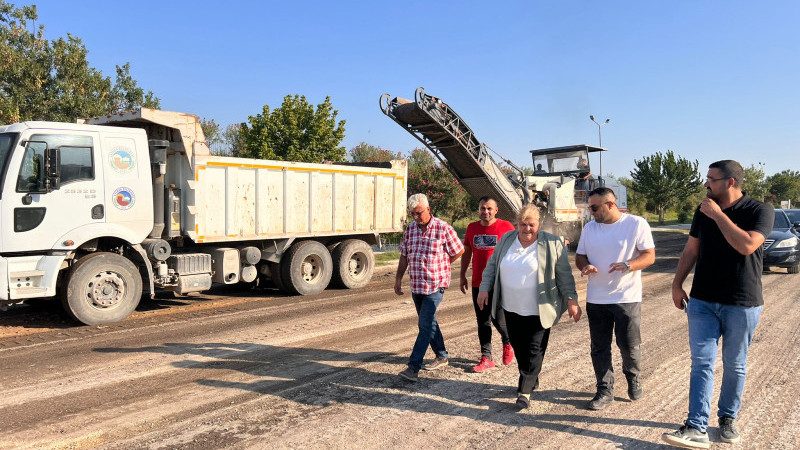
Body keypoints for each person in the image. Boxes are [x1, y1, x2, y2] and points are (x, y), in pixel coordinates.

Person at [662, 160, 773, 449]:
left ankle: (727, 418)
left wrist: (719, 216)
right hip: (703, 301)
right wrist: (676, 283)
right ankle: (696, 426)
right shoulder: (704, 209)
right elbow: (691, 248)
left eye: (711, 179)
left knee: (735, 364)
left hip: (742, 302)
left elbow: (748, 245)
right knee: (701, 363)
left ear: (730, 182)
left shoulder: (760, 210)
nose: (706, 184)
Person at [477, 205, 582, 409]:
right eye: (523, 224)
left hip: (539, 308)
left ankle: (524, 391)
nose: (527, 229)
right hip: (510, 307)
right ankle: (531, 377)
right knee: (520, 348)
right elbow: (491, 267)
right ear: (517, 224)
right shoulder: (507, 240)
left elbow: (565, 276)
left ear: (538, 224)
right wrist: (483, 288)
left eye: (531, 225)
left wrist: (571, 299)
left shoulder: (552, 243)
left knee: (534, 349)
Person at [575, 187, 655, 410]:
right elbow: (580, 256)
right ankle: (604, 389)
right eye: (589, 207)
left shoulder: (636, 224)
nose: (590, 212)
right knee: (599, 347)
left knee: (628, 346)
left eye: (594, 207)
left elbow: (649, 256)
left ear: (610, 204)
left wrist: (629, 265)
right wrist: (585, 265)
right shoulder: (590, 228)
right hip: (596, 298)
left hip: (626, 297)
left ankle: (633, 378)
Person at [395, 193, 464, 382]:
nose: (416, 218)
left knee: (424, 325)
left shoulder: (443, 228)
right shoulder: (410, 229)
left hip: (435, 285)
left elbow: (459, 249)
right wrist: (398, 278)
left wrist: (444, 264)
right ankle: (442, 355)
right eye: (413, 214)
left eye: (419, 213)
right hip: (417, 285)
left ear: (428, 210)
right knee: (429, 322)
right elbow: (404, 255)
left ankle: (413, 367)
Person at [460, 196, 516, 373]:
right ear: (479, 210)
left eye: (489, 208)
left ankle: (508, 342)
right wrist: (462, 275)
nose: (486, 212)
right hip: (478, 282)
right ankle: (486, 357)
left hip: (500, 283)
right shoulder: (472, 228)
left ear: (496, 210)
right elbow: (467, 252)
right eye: (483, 208)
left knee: (498, 319)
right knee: (482, 321)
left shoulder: (506, 227)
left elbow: (517, 251)